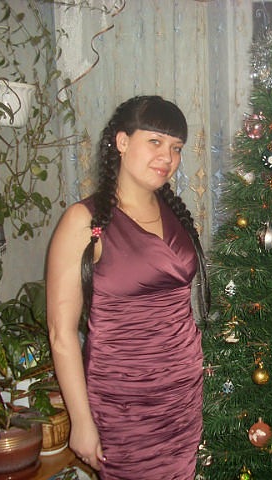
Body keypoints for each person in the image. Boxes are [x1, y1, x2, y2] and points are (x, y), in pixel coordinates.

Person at [46, 95, 210, 479]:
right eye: (155, 142)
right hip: (124, 404)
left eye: (176, 148)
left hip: (182, 395)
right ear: (122, 142)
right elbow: (60, 334)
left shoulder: (173, 212)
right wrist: (81, 422)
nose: (167, 157)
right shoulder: (83, 220)